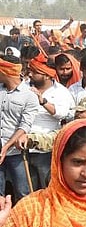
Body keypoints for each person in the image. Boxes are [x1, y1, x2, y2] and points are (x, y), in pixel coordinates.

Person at [25, 55, 75, 189]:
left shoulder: (61, 92)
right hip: (24, 146)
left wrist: (43, 101)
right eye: (30, 71)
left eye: (35, 72)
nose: (30, 74)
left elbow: (62, 114)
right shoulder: (25, 88)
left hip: (46, 148)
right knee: (29, 189)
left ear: (47, 75)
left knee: (47, 186)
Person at [0, 56, 40, 203]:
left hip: (16, 151)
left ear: (5, 71)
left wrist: (6, 147)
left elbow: (25, 125)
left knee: (23, 192)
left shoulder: (29, 96)